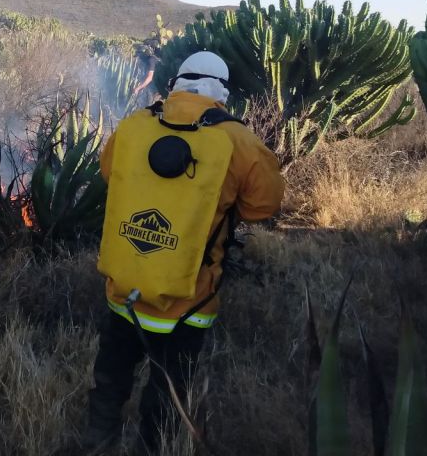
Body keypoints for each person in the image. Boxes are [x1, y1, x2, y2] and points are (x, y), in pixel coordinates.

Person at [81, 51, 285, 454]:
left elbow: (110, 172)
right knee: (167, 392)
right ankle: (149, 448)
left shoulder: (136, 124)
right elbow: (264, 206)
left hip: (125, 291)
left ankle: (96, 443)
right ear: (220, 92)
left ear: (176, 83)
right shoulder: (238, 140)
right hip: (189, 303)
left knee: (111, 377)